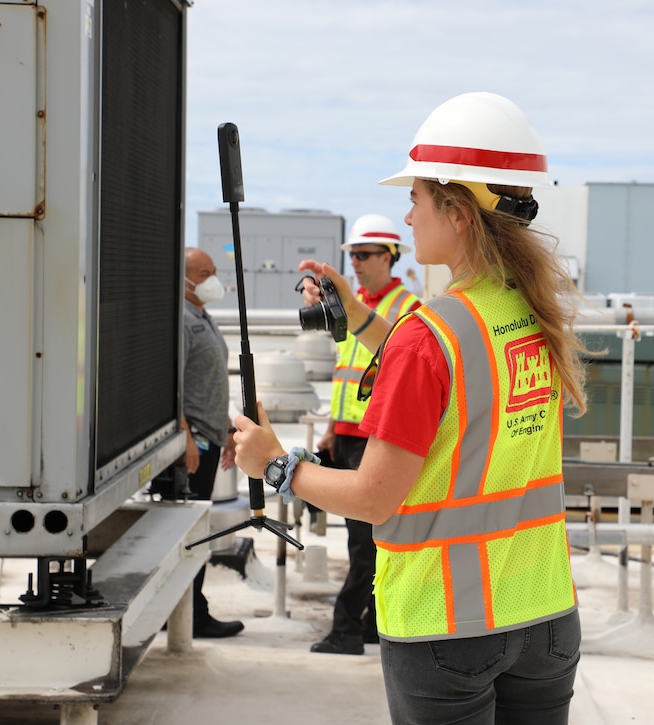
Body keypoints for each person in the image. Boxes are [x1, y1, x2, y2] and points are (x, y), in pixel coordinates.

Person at [233, 92, 588, 723]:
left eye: (416, 198)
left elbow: (375, 500)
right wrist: (361, 318)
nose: (408, 213)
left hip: (447, 623)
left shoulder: (432, 334)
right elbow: (451, 369)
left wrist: (275, 465)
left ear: (456, 212)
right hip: (545, 615)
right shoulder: (533, 314)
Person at [311, 214, 421, 656]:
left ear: (389, 256)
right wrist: (330, 432)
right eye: (351, 255)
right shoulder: (353, 304)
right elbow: (347, 374)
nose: (354, 262)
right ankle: (374, 624)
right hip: (346, 437)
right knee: (367, 538)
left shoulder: (407, 308)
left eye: (363, 254)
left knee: (364, 542)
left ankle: (346, 631)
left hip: (376, 439)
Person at [179, 247, 244, 639]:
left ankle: (192, 610)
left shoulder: (202, 316)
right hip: (194, 445)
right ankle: (192, 615)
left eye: (213, 272)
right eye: (204, 273)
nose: (213, 281)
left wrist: (229, 430)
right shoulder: (181, 321)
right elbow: (170, 387)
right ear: (185, 278)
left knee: (199, 529)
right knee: (192, 534)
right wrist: (186, 437)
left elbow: (207, 382)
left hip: (210, 436)